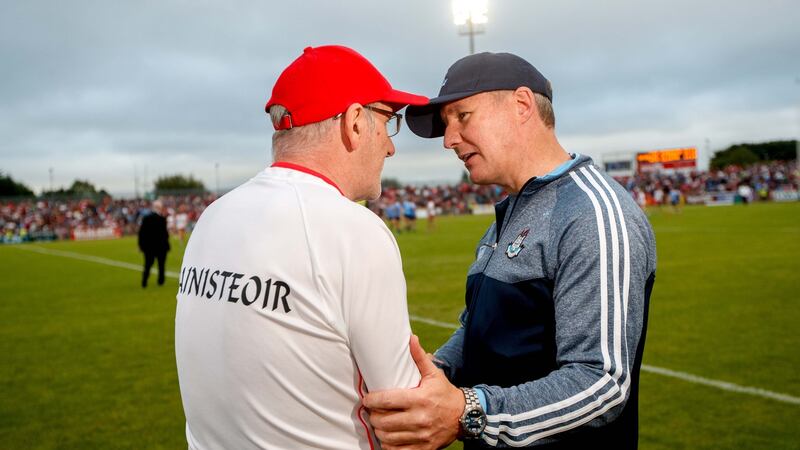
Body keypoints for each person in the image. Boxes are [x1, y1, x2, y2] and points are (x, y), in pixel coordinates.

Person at [364, 52, 657, 449]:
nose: (449, 139)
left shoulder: (590, 212)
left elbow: (601, 384)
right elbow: (480, 329)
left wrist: (468, 409)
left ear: (521, 105)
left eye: (462, 116)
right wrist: (437, 371)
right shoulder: (511, 210)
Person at [174, 45, 428, 449]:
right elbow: (410, 418)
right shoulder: (354, 230)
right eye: (389, 121)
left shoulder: (212, 216)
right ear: (355, 122)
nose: (391, 145)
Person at [137, 199, 169, 288]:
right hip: (161, 247)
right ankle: (161, 281)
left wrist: (140, 245)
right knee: (161, 265)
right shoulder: (162, 219)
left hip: (149, 247)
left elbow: (141, 233)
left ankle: (144, 281)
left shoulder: (146, 218)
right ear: (159, 208)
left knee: (147, 265)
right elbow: (165, 234)